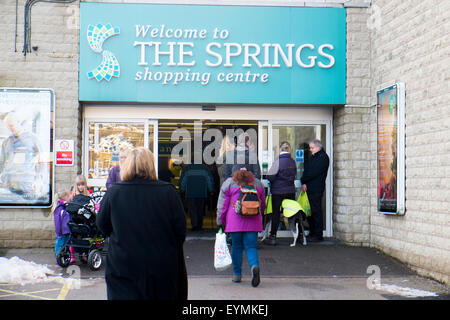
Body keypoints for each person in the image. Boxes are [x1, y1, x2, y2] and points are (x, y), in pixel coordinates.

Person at [97, 147, 187, 300]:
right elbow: (180, 231)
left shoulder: (114, 192)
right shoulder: (168, 192)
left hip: (123, 267)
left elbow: (102, 225)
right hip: (162, 267)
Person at [217, 164, 265, 287]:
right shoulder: (258, 184)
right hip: (253, 221)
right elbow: (262, 204)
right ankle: (254, 266)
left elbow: (222, 206)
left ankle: (237, 275)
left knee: (237, 247)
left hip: (234, 222)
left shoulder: (229, 183)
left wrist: (220, 221)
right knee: (251, 247)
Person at [0, 111, 48, 200]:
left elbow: (42, 162)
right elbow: (1, 163)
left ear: (18, 122)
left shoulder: (33, 139)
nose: (10, 129)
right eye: (8, 126)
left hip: (27, 184)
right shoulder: (6, 142)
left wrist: (39, 180)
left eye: (11, 125)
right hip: (9, 185)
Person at [265, 141, 297, 245]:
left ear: (280, 149)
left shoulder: (278, 161)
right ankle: (297, 234)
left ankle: (273, 236)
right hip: (290, 191)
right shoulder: (292, 161)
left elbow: (270, 176)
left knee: (276, 213)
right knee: (291, 213)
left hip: (278, 192)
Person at [301, 139, 330, 242]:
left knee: (316, 211)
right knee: (310, 212)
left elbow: (313, 172)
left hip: (316, 189)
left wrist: (303, 180)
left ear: (318, 147)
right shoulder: (314, 157)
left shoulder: (323, 158)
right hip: (309, 188)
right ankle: (312, 232)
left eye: (312, 148)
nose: (310, 150)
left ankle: (318, 234)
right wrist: (304, 183)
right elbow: (307, 170)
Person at [179, 160, 215, 231]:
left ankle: (194, 225)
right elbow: (209, 180)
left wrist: (182, 189)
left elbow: (183, 181)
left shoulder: (187, 168)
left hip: (190, 192)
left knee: (192, 209)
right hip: (201, 192)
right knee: (200, 209)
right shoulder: (204, 168)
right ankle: (199, 225)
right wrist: (211, 190)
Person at [48, 190, 75, 263]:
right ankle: (59, 261)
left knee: (65, 246)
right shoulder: (59, 209)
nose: (71, 198)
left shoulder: (63, 207)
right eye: (69, 196)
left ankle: (63, 260)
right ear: (66, 197)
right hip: (61, 232)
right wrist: (58, 233)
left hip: (65, 232)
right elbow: (57, 222)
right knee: (60, 246)